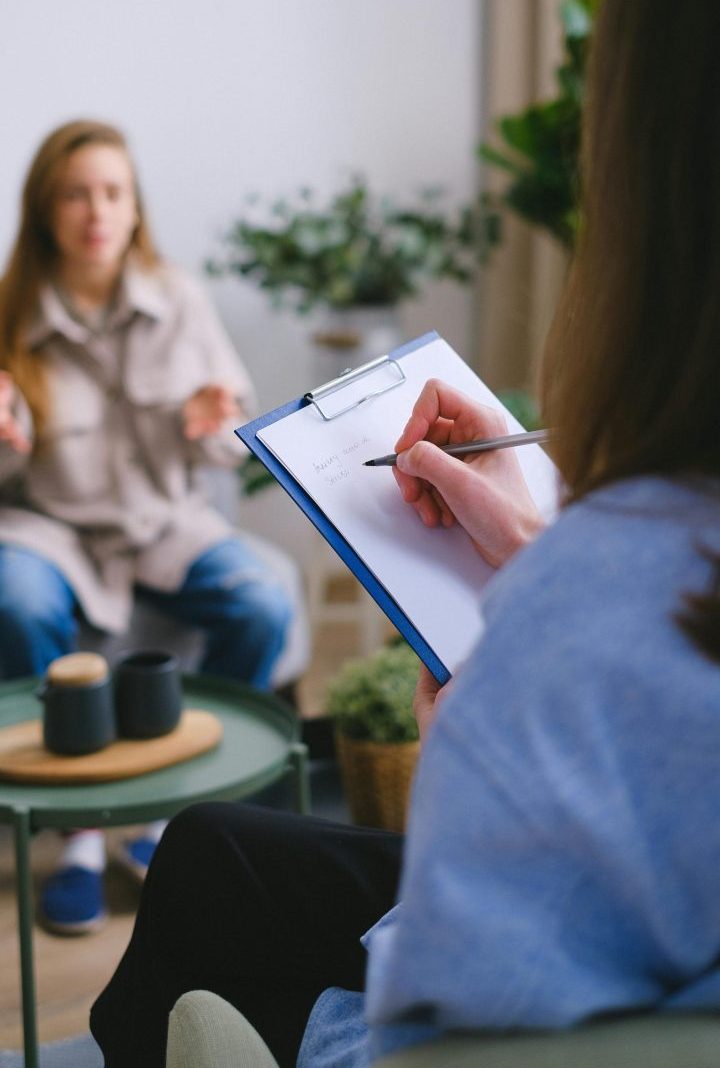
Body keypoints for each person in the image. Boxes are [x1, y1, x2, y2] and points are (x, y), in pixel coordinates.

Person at [90, 1, 720, 1065]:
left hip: (474, 989)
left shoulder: (592, 621)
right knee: (210, 845)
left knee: (189, 947)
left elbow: (424, 1039)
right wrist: (531, 540)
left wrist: (467, 776)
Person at [0, 119, 292, 934]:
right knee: (17, 600)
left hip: (166, 526)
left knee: (265, 604)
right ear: (45, 210)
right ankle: (79, 835)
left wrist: (209, 430)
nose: (96, 210)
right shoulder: (8, 310)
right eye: (75, 193)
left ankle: (179, 822)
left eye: (112, 192)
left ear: (135, 208)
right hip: (50, 531)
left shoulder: (182, 299)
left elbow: (225, 454)